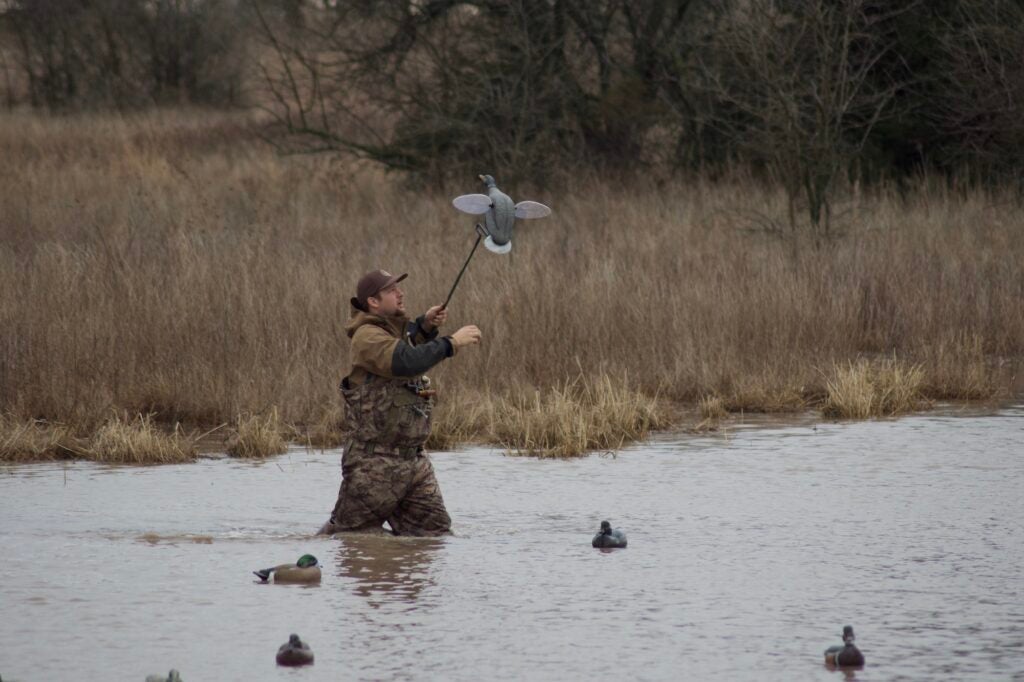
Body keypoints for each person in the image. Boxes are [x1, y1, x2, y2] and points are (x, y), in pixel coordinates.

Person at [318, 269, 481, 536]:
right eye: (392, 290)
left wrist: (426, 325)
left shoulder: (390, 332)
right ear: (373, 301)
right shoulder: (367, 337)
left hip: (414, 464)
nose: (400, 293)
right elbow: (406, 361)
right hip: (374, 465)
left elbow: (406, 342)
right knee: (350, 537)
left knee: (435, 537)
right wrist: (451, 343)